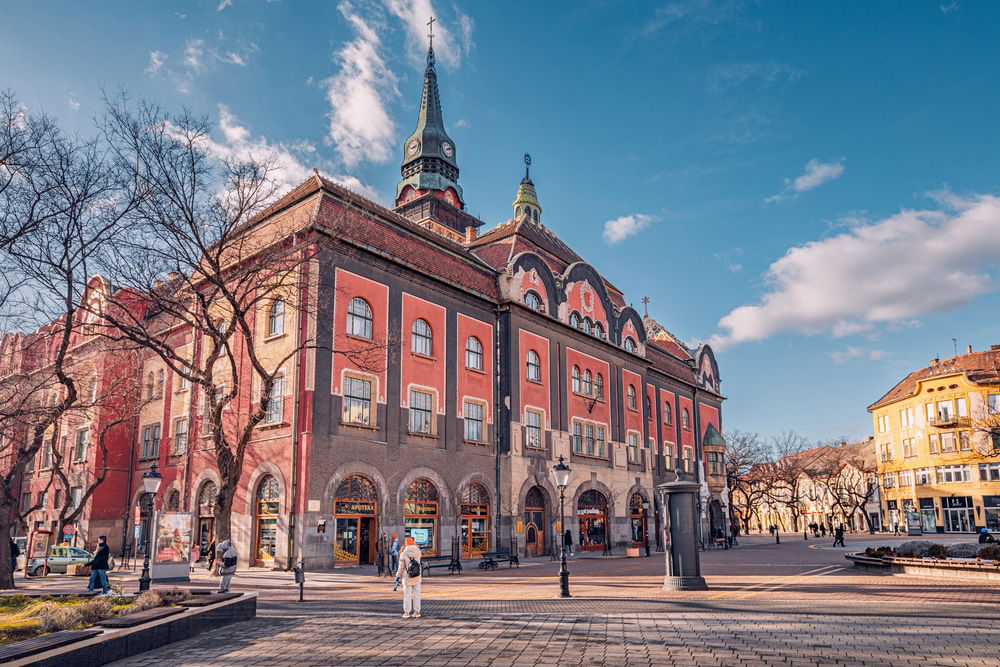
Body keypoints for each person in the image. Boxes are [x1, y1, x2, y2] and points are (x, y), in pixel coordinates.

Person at [396, 536, 422, 618]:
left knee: (407, 595)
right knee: (417, 594)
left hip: (407, 577)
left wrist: (397, 576)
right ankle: (417, 612)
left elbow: (401, 567)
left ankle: (407, 613)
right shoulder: (418, 552)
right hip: (417, 576)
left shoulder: (403, 554)